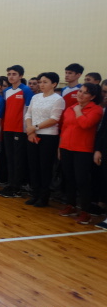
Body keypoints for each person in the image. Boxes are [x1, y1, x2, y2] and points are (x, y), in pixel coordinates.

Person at [58, 84, 104, 223]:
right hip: (66, 147)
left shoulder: (96, 110)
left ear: (93, 96)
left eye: (85, 93)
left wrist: (78, 111)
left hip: (83, 150)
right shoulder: (70, 108)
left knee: (82, 180)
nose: (80, 94)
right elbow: (64, 128)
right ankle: (70, 205)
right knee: (69, 178)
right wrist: (60, 147)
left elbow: (85, 124)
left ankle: (85, 211)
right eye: (80, 91)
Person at [24, 72, 65, 207]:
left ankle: (44, 197)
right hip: (32, 135)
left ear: (54, 84)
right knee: (33, 166)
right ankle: (35, 194)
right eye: (40, 82)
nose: (41, 84)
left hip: (48, 136)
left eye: (45, 82)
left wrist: (34, 128)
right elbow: (28, 114)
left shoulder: (58, 99)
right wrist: (30, 130)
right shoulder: (35, 97)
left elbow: (54, 119)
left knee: (45, 167)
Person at [0, 65, 33, 198]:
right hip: (7, 128)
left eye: (14, 74)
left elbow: (29, 110)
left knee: (18, 159)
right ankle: (10, 184)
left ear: (21, 76)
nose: (11, 76)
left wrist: (28, 128)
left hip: (20, 129)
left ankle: (17, 187)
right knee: (10, 158)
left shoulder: (26, 90)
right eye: (9, 74)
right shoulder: (6, 91)